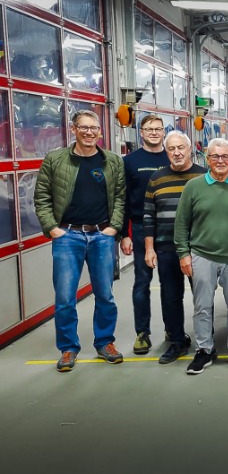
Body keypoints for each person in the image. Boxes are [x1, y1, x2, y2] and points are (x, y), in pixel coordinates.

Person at [34, 110, 126, 372]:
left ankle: (105, 342)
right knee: (65, 297)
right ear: (73, 129)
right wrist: (52, 228)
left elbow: (120, 197)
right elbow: (41, 198)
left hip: (102, 236)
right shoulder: (55, 160)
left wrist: (114, 227)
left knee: (105, 295)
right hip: (67, 236)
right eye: (83, 127)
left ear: (100, 131)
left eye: (94, 128)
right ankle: (68, 348)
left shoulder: (112, 161)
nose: (89, 132)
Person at [174, 138, 228, 374]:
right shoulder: (194, 187)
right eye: (215, 156)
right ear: (207, 159)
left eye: (225, 156)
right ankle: (204, 351)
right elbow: (181, 224)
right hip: (203, 255)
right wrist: (184, 254)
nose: (220, 161)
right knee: (202, 306)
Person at [142, 131, 205, 364]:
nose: (177, 153)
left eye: (181, 148)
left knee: (202, 296)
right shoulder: (157, 178)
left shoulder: (204, 175)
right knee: (170, 297)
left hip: (199, 248)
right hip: (167, 248)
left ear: (190, 149)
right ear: (166, 151)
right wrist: (150, 249)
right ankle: (177, 341)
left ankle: (205, 343)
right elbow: (148, 216)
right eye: (171, 149)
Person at [120, 114, 169, 355]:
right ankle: (143, 333)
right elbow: (124, 199)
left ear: (163, 131)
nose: (153, 132)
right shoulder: (130, 162)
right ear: (141, 132)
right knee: (142, 283)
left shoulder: (173, 156)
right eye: (149, 129)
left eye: (158, 129)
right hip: (140, 228)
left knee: (172, 283)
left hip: (170, 227)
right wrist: (124, 234)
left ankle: (173, 328)